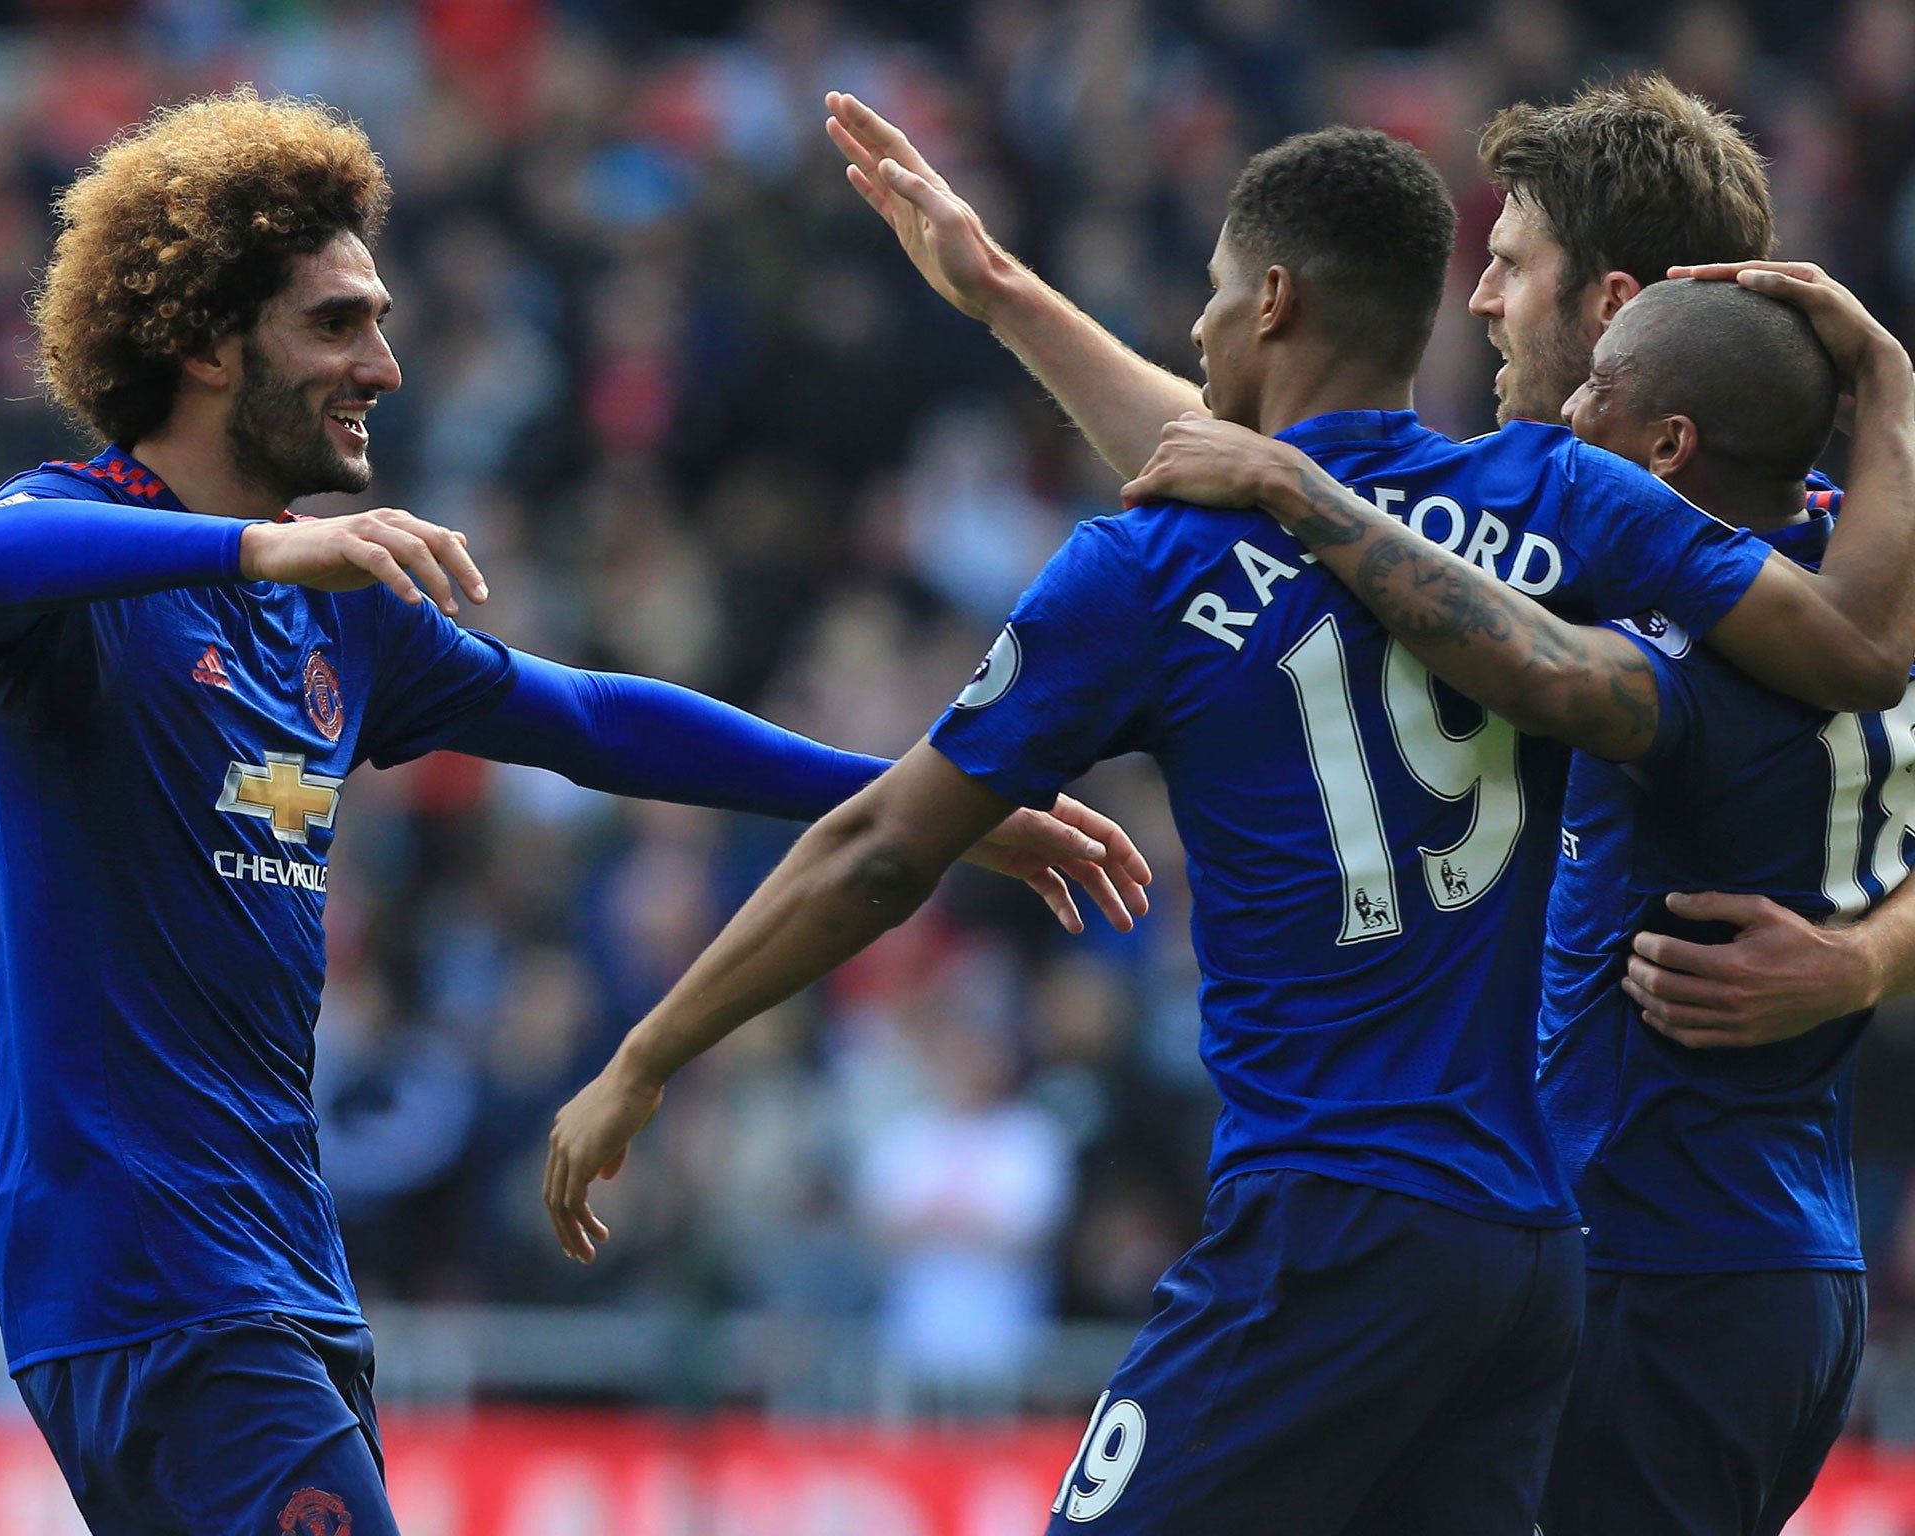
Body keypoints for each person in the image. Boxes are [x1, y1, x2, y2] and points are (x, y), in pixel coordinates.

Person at [543, 127, 1912, 1534]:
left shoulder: (1154, 559)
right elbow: (1854, 645)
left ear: (1269, 302)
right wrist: (1004, 287)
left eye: (1210, 291)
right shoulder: (1559, 506)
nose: (1192, 328)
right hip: (1531, 1254)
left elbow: (881, 849)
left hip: (1347, 1222)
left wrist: (647, 1055)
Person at [0, 90, 1149, 1536]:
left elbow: (596, 720)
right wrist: (261, 545)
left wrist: (932, 803)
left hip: (277, 1267)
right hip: (147, 1271)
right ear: (201, 341)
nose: (382, 361)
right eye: (335, 324)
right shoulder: (88, 557)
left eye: (378, 318)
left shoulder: (347, 624)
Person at [825, 75, 1915, 1033]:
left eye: (1507, 265)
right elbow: (1284, 485)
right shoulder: (1816, 543)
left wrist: (1861, 962)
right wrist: (1002, 294)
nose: (1478, 298)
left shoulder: (1651, 561)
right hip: (1603, 1203)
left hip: (1642, 1214)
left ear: (1610, 309)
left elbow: (1320, 504)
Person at [1123, 267, 1910, 1534]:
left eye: (1517, 260)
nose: (1482, 300)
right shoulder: (1851, 551)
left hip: (1661, 1253)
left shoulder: (1697, 659)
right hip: (1783, 1255)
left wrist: (1298, 491)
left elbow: (1534, 668)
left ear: (1665, 433)